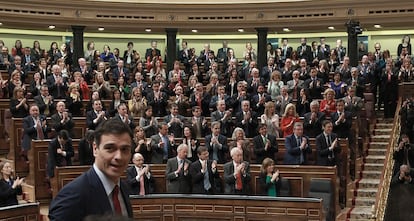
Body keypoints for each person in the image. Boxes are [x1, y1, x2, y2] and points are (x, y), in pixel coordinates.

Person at [49, 119, 134, 220]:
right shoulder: (73, 195)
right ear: (95, 149)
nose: (119, 157)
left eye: (124, 149)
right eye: (110, 148)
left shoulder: (122, 188)